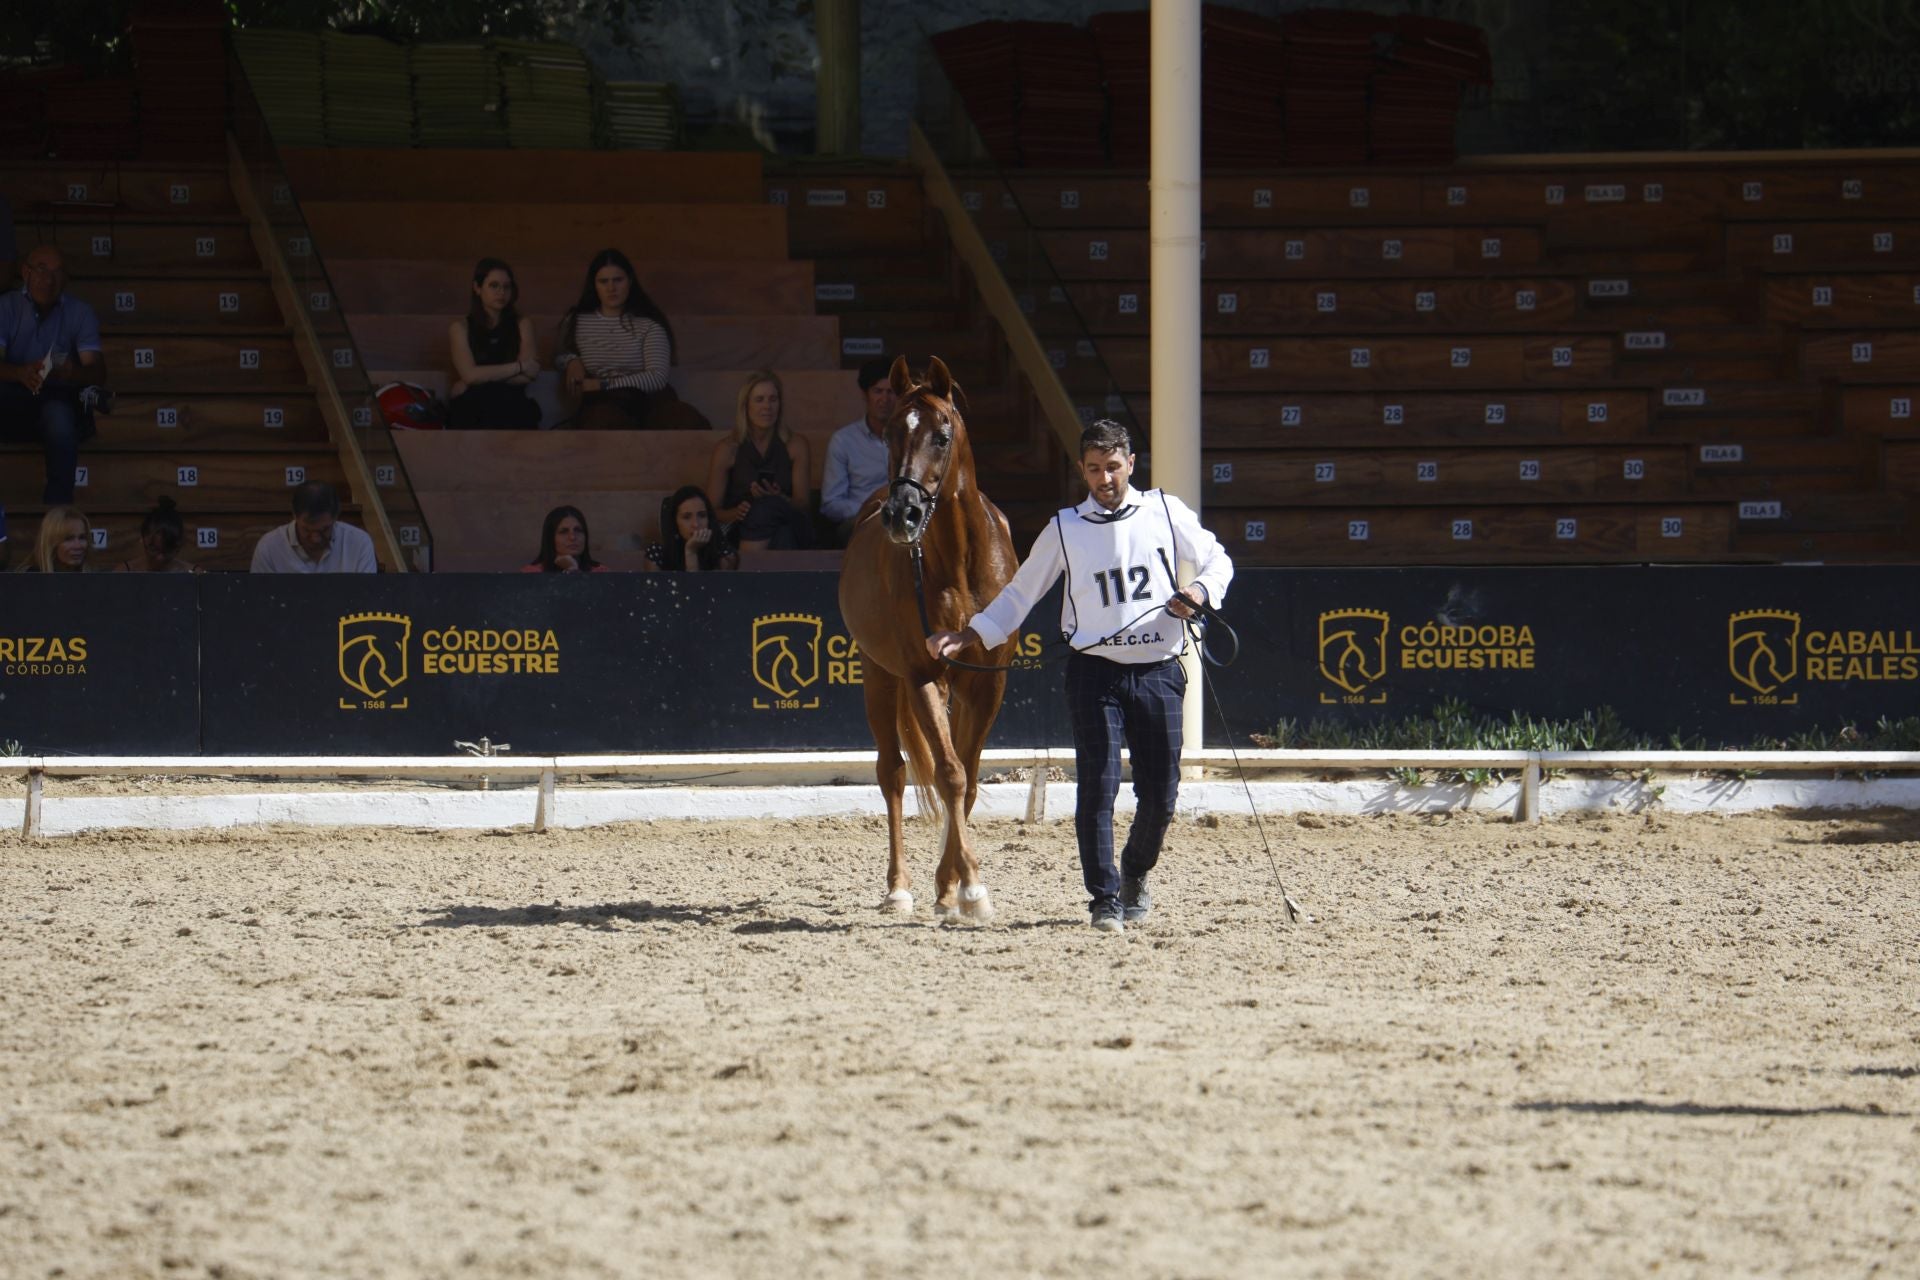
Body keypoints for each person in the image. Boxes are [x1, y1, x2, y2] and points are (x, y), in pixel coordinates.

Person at [926, 419, 1234, 935]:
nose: (1104, 478)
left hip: (1159, 670)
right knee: (1097, 787)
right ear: (1082, 471)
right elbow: (1021, 592)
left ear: (1130, 464)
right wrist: (970, 634)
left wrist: (1199, 592)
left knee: (1162, 795)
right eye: (1094, 469)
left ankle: (1135, 871)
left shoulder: (1165, 510)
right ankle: (1104, 898)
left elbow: (1216, 559)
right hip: (1093, 674)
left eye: (1113, 467)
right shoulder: (1064, 527)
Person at [0, 245, 107, 503]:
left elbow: (97, 372)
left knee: (59, 415)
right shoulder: (6, 306)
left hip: (57, 401)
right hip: (12, 402)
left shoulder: (80, 312)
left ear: (66, 278)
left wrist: (73, 372)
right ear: (25, 272)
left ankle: (58, 512)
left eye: (57, 272)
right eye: (41, 269)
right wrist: (20, 373)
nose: (48, 279)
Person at [555, 248, 673, 429]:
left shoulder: (648, 324)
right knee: (604, 418)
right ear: (594, 285)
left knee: (682, 418)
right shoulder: (577, 320)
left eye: (618, 280)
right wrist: (572, 360)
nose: (611, 288)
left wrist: (603, 384)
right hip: (603, 404)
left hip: (648, 399)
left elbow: (657, 378)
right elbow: (560, 354)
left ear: (630, 281)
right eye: (603, 281)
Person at [706, 370, 814, 553]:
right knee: (781, 533)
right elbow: (711, 510)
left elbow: (803, 504)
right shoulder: (727, 449)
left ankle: (748, 567)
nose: (767, 406)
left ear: (780, 404)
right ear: (745, 405)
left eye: (773, 399)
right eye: (759, 400)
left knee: (768, 506)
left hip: (790, 520)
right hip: (742, 528)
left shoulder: (796, 445)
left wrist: (780, 498)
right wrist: (736, 512)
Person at [446, 258, 541, 430]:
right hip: (474, 405)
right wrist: (519, 367)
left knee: (514, 409)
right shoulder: (459, 328)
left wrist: (476, 378)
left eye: (506, 286)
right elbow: (470, 375)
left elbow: (529, 375)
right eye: (494, 285)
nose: (501, 292)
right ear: (477, 288)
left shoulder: (523, 324)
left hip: (512, 403)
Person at [819, 356, 898, 548]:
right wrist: (872, 510)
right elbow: (831, 504)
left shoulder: (911, 438)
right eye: (878, 391)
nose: (884, 399)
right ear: (865, 394)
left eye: (890, 392)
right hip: (860, 523)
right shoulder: (843, 441)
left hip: (902, 522)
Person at [250, 481, 378, 573]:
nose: (315, 539)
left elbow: (366, 597)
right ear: (294, 516)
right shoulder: (269, 548)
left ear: (336, 517)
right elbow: (260, 599)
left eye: (324, 530)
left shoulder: (359, 543)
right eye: (306, 529)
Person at [645, 485, 738, 572]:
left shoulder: (723, 552)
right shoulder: (658, 553)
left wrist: (691, 552)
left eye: (702, 515)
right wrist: (691, 552)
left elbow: (702, 585)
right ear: (674, 522)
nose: (696, 524)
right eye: (686, 517)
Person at [115, 496, 196, 573]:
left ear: (179, 546)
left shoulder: (194, 574)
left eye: (167, 551)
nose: (160, 558)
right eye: (154, 550)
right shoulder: (124, 572)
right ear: (143, 539)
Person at [522, 504, 607, 573]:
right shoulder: (531, 574)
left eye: (578, 530)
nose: (572, 537)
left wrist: (574, 570)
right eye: (563, 532)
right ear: (551, 538)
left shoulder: (601, 572)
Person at [21, 505, 95, 573]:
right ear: (51, 543)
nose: (78, 546)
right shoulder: (29, 577)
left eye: (82, 538)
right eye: (68, 539)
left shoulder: (94, 576)